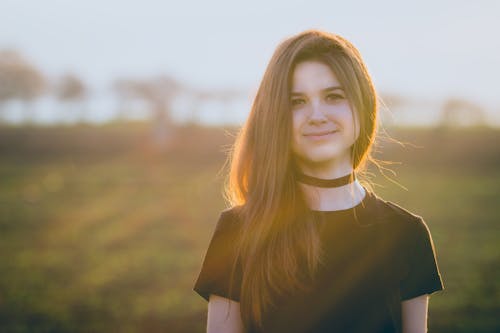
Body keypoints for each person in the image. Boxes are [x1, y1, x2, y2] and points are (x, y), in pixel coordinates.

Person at [193, 29, 444, 333]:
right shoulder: (238, 232)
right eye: (296, 102)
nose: (317, 115)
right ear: (276, 116)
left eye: (333, 96)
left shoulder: (406, 233)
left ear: (363, 105)